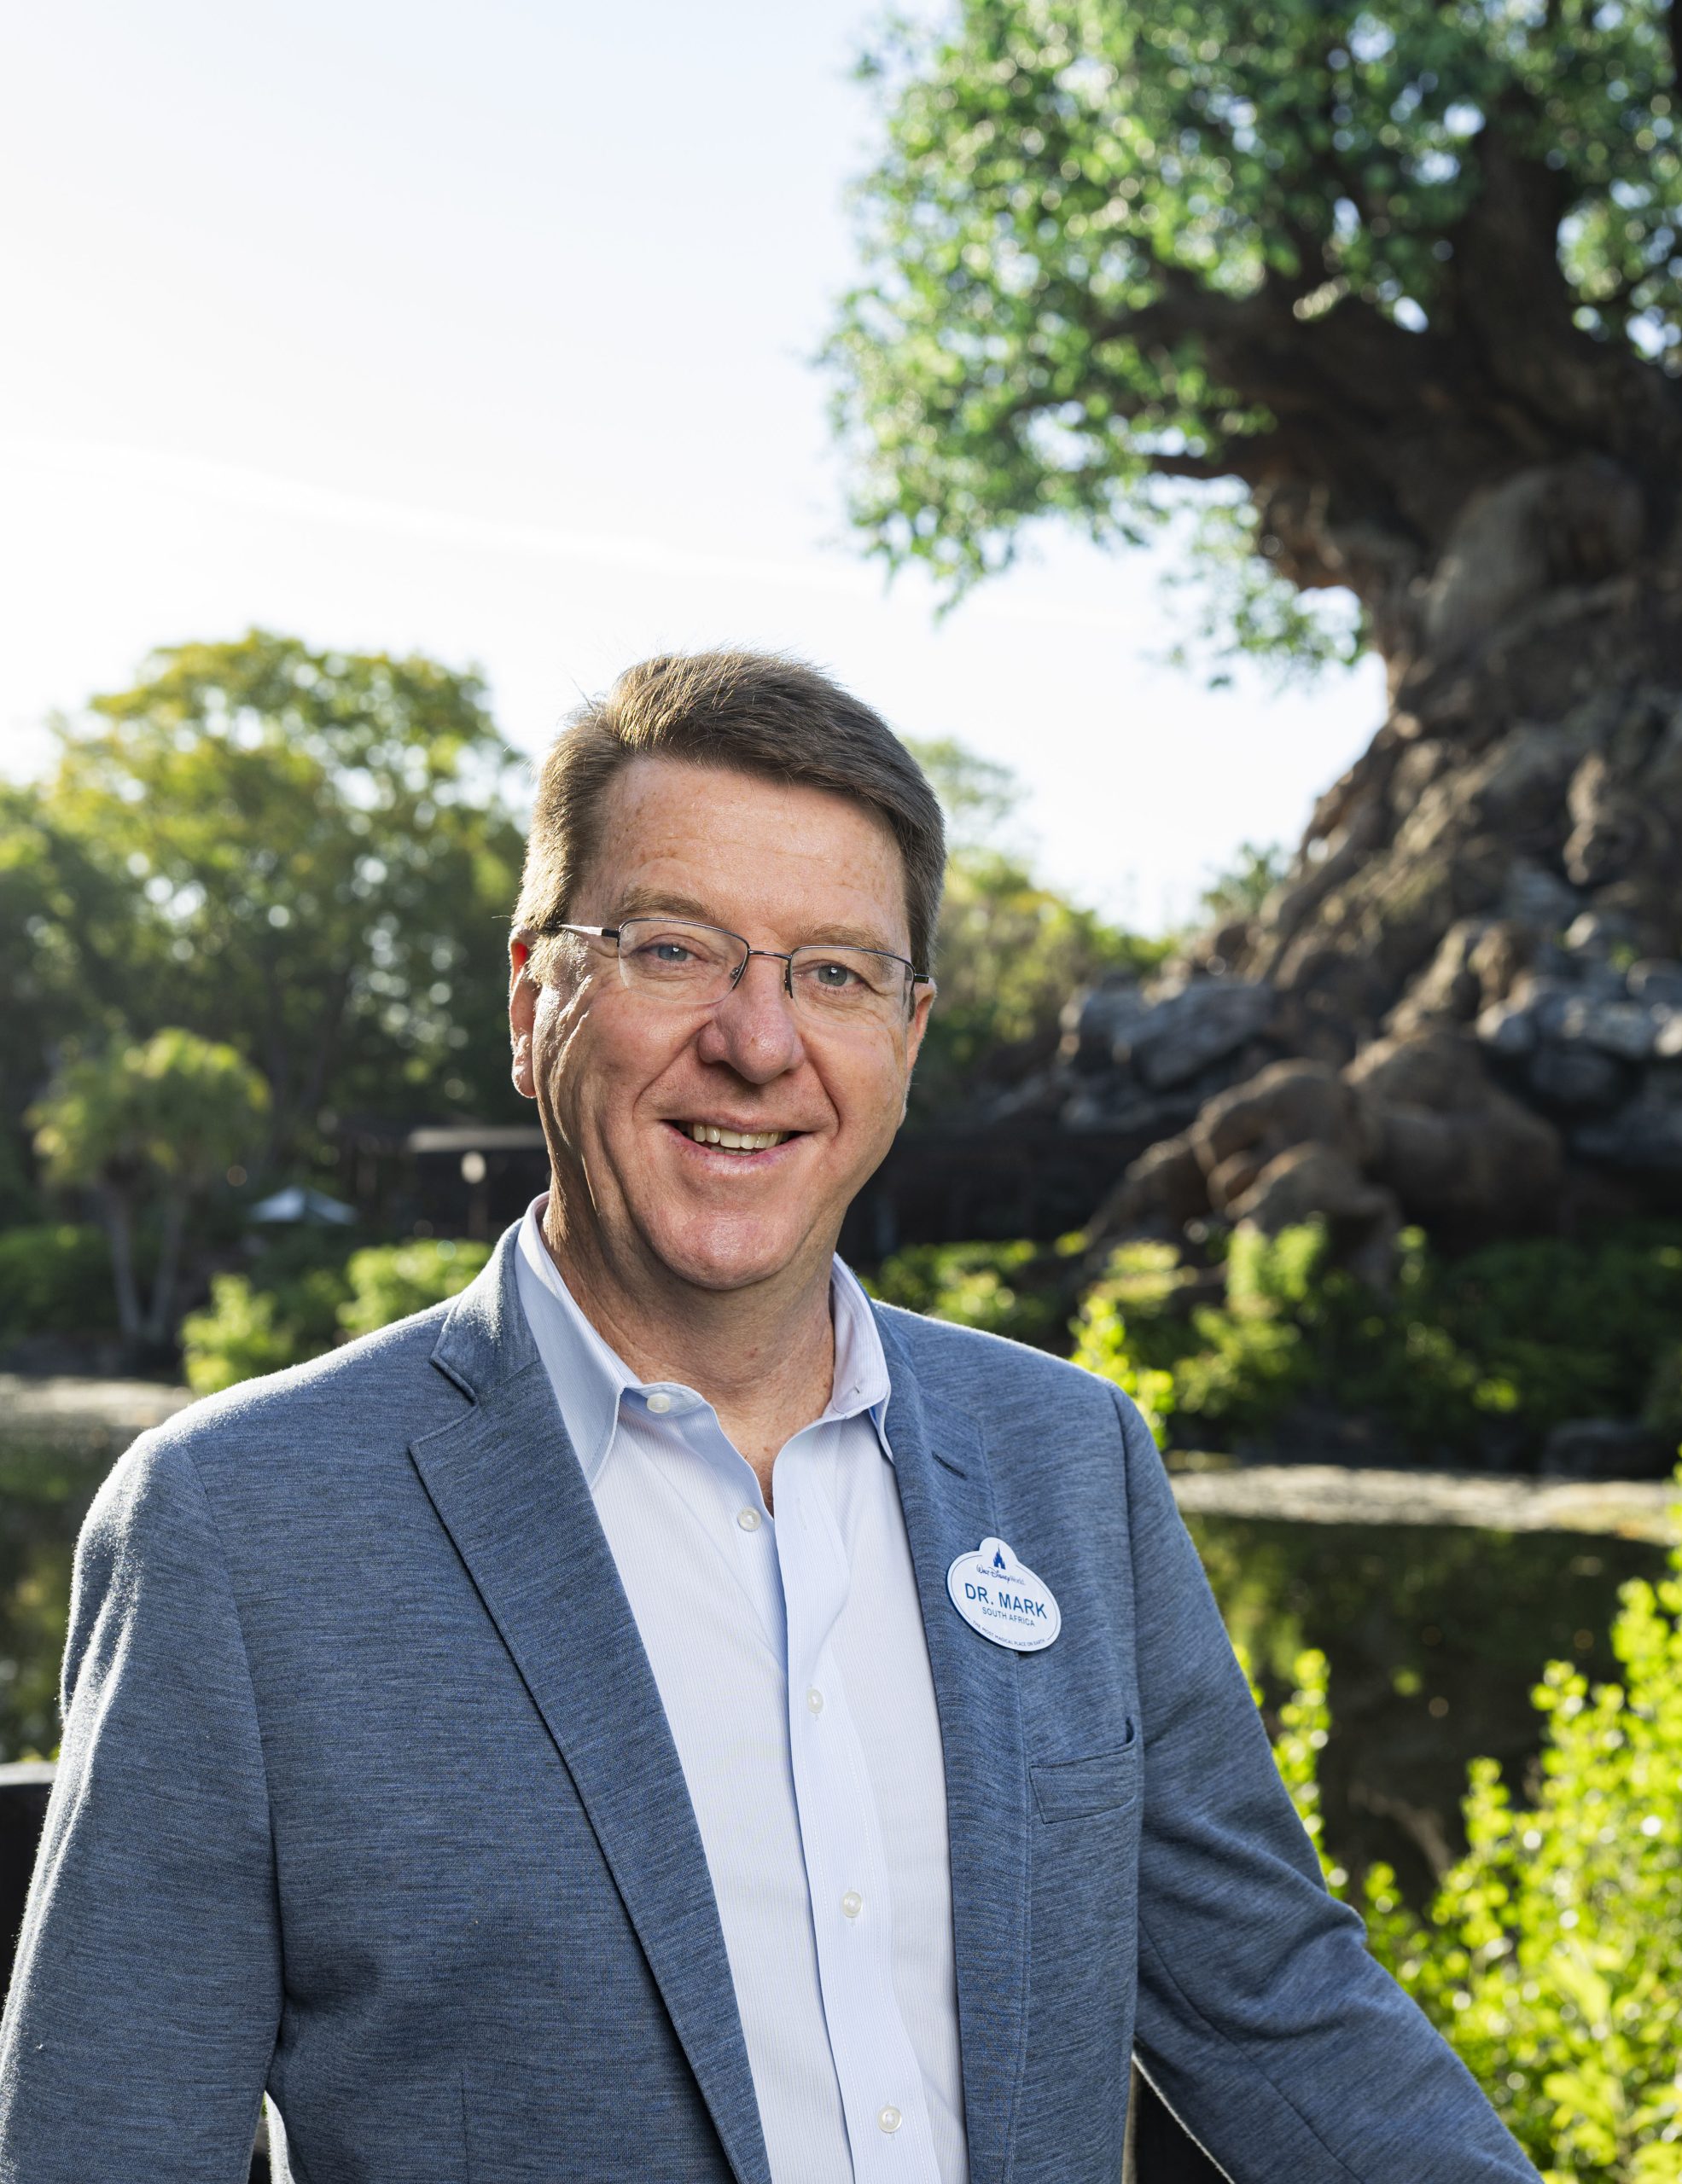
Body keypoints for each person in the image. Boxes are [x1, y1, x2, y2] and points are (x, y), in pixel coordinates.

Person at [0, 651, 1539, 2182]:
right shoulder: (236, 1527)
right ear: (535, 997)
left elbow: (1283, 2018)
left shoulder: (1070, 1464)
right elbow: (106, 2151)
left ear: (907, 1037)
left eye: (835, 973)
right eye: (675, 950)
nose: (758, 1039)